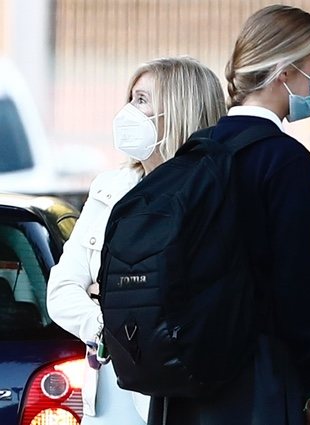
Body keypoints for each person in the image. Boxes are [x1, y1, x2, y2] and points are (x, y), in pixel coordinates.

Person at [149, 5, 310, 425]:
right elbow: (295, 281)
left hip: (185, 375)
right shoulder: (286, 159)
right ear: (285, 72)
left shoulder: (196, 148)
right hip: (257, 376)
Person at [46, 56, 226, 424]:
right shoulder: (109, 190)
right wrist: (112, 327)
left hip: (187, 390)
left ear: (179, 111)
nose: (128, 111)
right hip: (112, 387)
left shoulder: (213, 193)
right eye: (130, 98)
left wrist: (120, 298)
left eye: (142, 101)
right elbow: (62, 291)